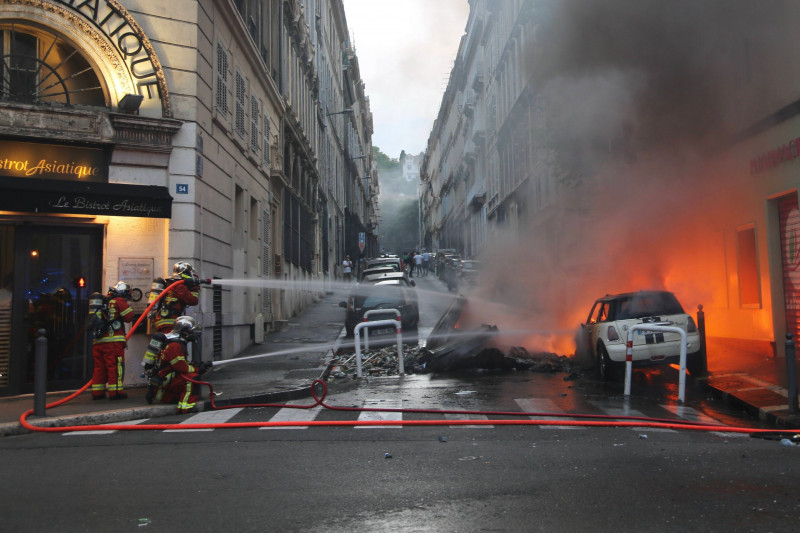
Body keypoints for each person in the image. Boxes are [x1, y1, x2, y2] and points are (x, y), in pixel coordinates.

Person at [151, 316, 211, 414]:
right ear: (184, 332)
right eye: (191, 331)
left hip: (166, 375)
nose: (193, 334)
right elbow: (180, 367)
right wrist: (197, 369)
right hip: (166, 378)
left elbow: (179, 364)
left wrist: (195, 365)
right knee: (192, 378)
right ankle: (185, 406)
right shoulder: (175, 345)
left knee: (189, 375)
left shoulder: (177, 342)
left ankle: (170, 397)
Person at [89, 281, 134, 400]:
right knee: (115, 366)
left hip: (98, 342)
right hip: (113, 342)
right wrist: (127, 305)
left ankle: (97, 393)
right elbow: (129, 317)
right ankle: (116, 392)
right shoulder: (119, 301)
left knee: (99, 367)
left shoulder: (103, 301)